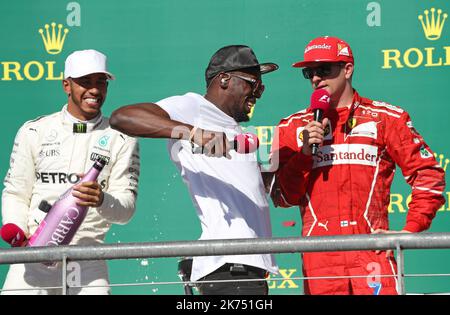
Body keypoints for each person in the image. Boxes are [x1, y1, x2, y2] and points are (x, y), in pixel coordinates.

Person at [270, 36, 446, 295]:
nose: (316, 78)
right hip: (320, 260)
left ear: (348, 69)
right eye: (310, 72)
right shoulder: (292, 127)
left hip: (372, 253)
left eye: (324, 70)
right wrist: (305, 154)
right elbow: (283, 197)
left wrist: (409, 232)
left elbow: (427, 174)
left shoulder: (388, 118)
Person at [110, 45, 278, 295]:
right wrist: (193, 133)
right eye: (253, 84)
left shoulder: (232, 128)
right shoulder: (195, 107)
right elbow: (122, 117)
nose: (258, 93)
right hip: (229, 270)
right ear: (224, 79)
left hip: (247, 270)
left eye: (261, 87)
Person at [1, 49, 140, 295]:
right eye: (85, 82)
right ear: (67, 85)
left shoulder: (122, 138)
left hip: (88, 257)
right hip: (34, 254)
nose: (95, 90)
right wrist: (18, 230)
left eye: (101, 82)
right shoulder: (34, 131)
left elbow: (126, 209)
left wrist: (101, 199)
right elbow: (15, 192)